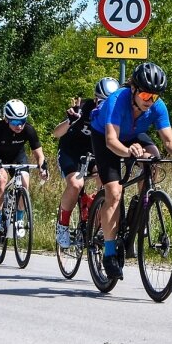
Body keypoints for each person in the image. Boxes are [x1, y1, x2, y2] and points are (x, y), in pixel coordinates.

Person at [90, 62, 172, 280]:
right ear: (134, 89)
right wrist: (128, 152)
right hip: (106, 138)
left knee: (153, 159)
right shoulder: (117, 100)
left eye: (154, 97)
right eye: (146, 95)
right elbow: (111, 141)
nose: (149, 101)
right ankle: (108, 253)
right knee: (115, 193)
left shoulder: (157, 106)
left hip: (133, 135)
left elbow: (169, 142)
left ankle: (141, 205)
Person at [52, 77, 119, 248]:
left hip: (95, 153)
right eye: (102, 102)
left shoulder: (117, 113)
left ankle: (96, 220)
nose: (106, 106)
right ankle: (62, 225)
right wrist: (69, 121)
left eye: (111, 102)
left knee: (108, 185)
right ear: (96, 99)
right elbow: (56, 133)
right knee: (76, 184)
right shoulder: (83, 108)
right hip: (71, 152)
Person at [0, 99, 49, 236]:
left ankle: (18, 220)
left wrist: (42, 168)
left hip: (17, 156)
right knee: (1, 181)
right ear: (6, 119)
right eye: (15, 122)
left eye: (23, 121)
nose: (20, 126)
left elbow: (40, 155)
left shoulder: (29, 129)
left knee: (25, 182)